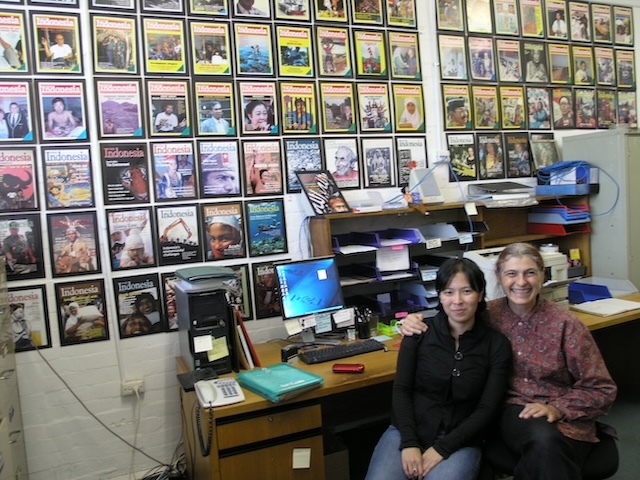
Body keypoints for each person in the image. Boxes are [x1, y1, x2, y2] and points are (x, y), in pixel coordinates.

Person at [401, 243, 618, 480]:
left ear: (542, 275)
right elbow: (452, 310)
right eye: (511, 273)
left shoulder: (567, 325)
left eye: (530, 273)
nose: (521, 282)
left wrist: (558, 408)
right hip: (511, 413)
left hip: (566, 418)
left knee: (548, 454)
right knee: (545, 444)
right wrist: (413, 321)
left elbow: (602, 389)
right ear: (499, 277)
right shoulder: (486, 315)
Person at [365, 258, 512, 480]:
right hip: (408, 430)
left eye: (467, 291)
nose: (457, 301)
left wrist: (442, 449)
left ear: (480, 294)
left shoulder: (496, 345)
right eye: (449, 292)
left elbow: (486, 409)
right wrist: (409, 443)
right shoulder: (418, 333)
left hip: (461, 439)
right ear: (440, 296)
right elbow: (402, 390)